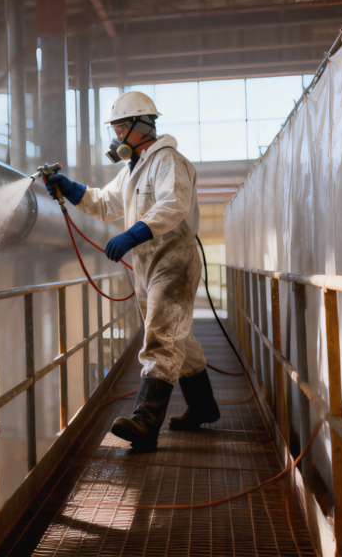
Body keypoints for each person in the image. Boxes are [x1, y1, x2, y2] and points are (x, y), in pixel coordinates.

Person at [45, 90, 219, 451]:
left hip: (173, 259)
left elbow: (174, 204)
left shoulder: (168, 160)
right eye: (116, 128)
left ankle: (146, 422)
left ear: (143, 125)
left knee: (160, 335)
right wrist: (70, 189)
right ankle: (203, 407)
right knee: (177, 337)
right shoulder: (134, 168)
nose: (117, 136)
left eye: (121, 127)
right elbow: (105, 202)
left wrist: (133, 233)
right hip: (148, 261)